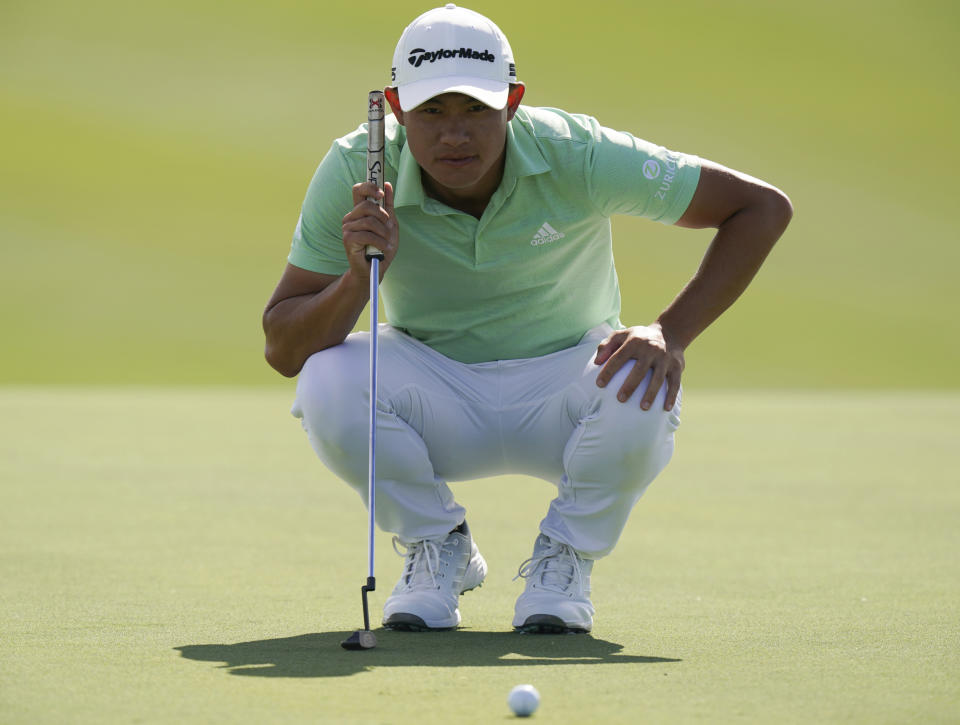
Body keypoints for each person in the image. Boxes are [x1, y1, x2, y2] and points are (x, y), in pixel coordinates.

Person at [262, 4, 792, 634]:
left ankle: (565, 558)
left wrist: (670, 332)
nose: (454, 135)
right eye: (432, 111)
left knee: (642, 379)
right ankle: (438, 548)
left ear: (512, 101)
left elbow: (760, 208)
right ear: (398, 110)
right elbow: (285, 348)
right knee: (328, 380)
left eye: (476, 110)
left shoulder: (576, 151)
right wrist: (358, 276)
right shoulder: (357, 168)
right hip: (434, 389)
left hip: (568, 384)